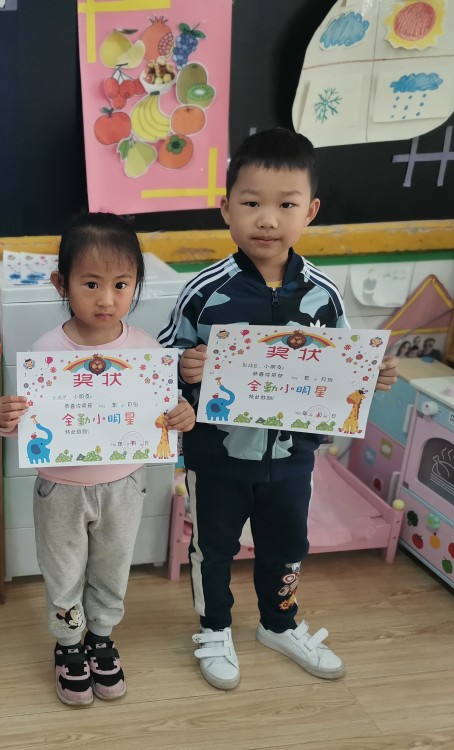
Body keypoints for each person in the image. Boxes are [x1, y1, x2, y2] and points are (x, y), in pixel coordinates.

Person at [158, 128, 399, 691]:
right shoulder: (204, 291)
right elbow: (162, 360)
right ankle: (214, 628)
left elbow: (344, 368)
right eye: (251, 204)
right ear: (226, 208)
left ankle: (279, 623)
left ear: (310, 210)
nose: (267, 220)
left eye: (286, 205)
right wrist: (183, 368)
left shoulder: (323, 295)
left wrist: (373, 375)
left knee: (287, 546)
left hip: (292, 458)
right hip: (217, 457)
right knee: (213, 547)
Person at [0, 212, 196, 705]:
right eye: (91, 284)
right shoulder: (46, 349)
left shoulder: (146, 350)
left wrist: (183, 415)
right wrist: (2, 415)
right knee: (63, 573)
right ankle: (67, 645)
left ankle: (101, 637)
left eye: (121, 284)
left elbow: (165, 414)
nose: (107, 299)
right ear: (62, 284)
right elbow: (22, 421)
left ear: (136, 285)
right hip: (60, 488)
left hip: (125, 485)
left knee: (112, 569)